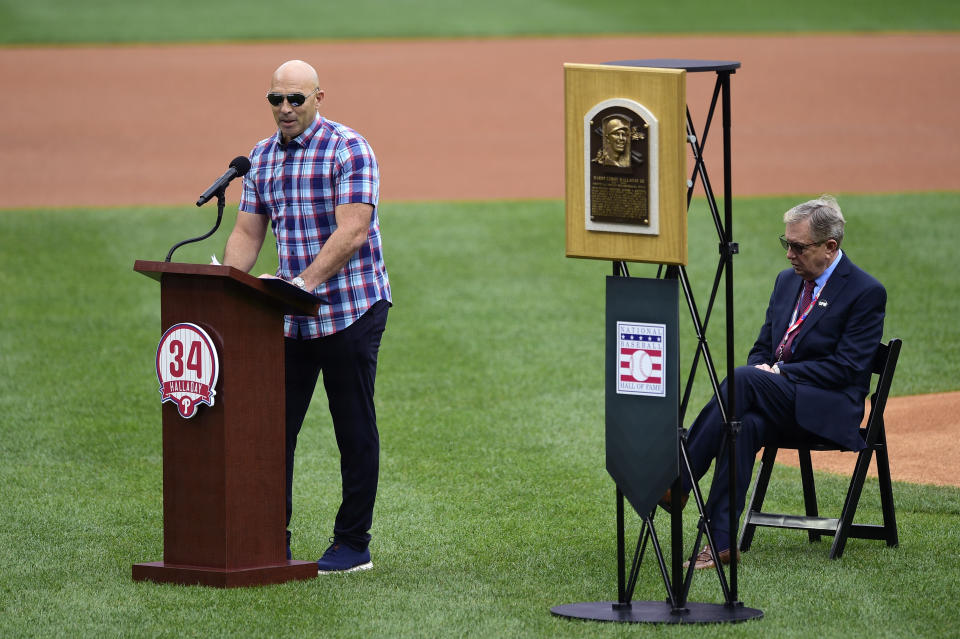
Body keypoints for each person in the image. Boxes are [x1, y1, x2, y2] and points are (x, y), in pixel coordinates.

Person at [222, 59, 391, 574]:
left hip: (351, 307)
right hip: (291, 316)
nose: (285, 109)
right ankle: (271, 536)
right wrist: (226, 290)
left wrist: (304, 284)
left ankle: (352, 543)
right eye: (276, 99)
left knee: (353, 428)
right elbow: (249, 234)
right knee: (273, 430)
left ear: (319, 97)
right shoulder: (260, 158)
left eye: (296, 99)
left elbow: (353, 231)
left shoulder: (348, 149)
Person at [663, 195, 885, 569]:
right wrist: (767, 373)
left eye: (798, 247)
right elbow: (762, 348)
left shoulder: (865, 291)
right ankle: (719, 546)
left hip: (826, 407)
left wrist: (779, 374)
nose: (789, 255)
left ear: (830, 247)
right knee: (743, 422)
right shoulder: (787, 282)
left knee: (744, 380)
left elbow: (847, 368)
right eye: (787, 244)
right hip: (780, 400)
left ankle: (679, 480)